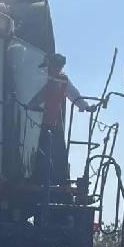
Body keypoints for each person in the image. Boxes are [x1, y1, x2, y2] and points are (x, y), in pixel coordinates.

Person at [28, 52, 95, 185]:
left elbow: (73, 94)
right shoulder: (40, 76)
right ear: (49, 63)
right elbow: (35, 96)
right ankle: (38, 178)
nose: (57, 68)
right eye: (55, 65)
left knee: (59, 151)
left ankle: (61, 179)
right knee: (41, 150)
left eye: (60, 66)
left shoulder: (63, 79)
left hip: (53, 120)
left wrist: (86, 107)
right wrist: (31, 105)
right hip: (37, 121)